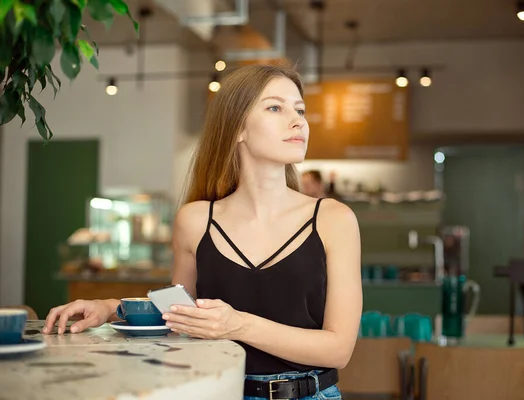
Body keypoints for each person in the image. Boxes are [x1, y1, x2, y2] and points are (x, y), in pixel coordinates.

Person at [43, 65, 362, 400]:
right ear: (237, 128)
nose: (298, 120)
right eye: (275, 107)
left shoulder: (333, 219)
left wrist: (238, 325)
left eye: (299, 110)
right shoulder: (195, 221)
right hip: (216, 390)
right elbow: (182, 311)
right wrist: (111, 309)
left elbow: (338, 349)